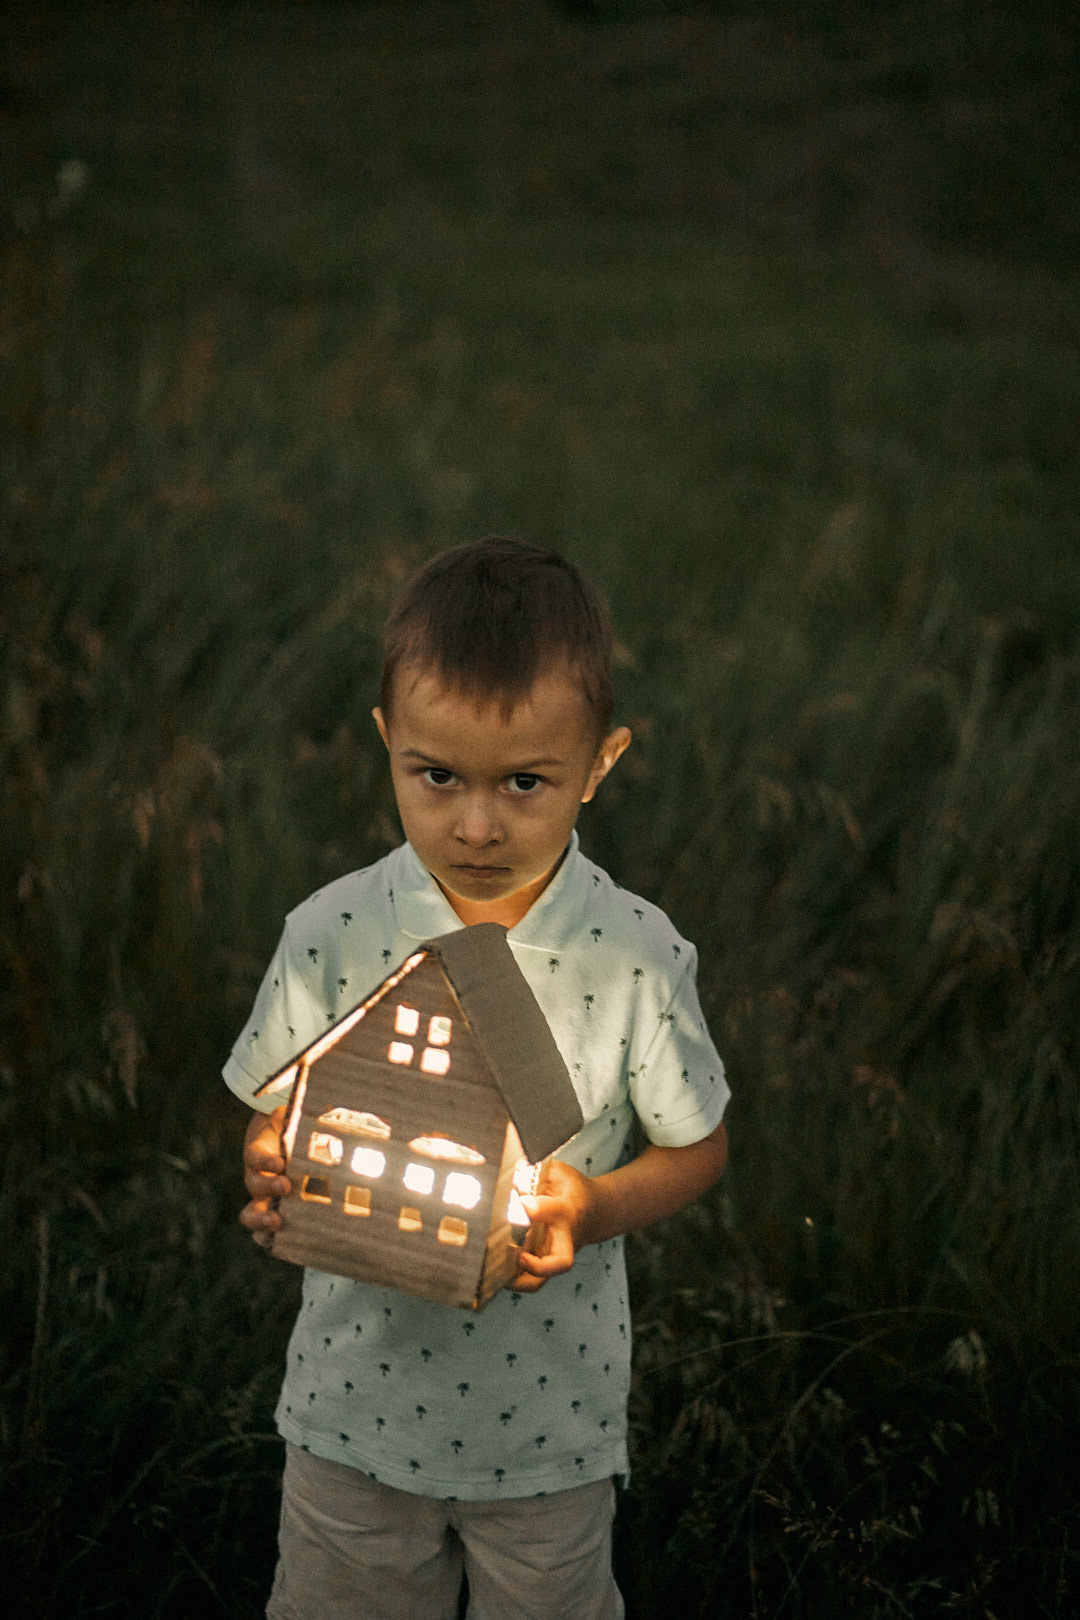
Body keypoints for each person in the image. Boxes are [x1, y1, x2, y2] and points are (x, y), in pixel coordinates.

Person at [227, 537, 730, 1620]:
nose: (477, 822)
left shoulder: (635, 957)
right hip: (352, 1412)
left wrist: (590, 1207)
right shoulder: (333, 932)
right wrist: (273, 1167)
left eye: (526, 782)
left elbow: (697, 1147)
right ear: (386, 746)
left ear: (600, 763)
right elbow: (279, 1112)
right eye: (437, 774)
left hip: (547, 1431)